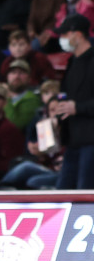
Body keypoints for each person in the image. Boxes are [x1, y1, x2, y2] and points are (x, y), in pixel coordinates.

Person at [56, 14, 94, 189]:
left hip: (91, 140)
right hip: (72, 138)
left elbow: (77, 103)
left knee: (84, 191)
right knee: (63, 192)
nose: (62, 39)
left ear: (78, 35)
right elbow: (66, 93)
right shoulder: (72, 61)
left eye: (65, 34)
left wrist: (77, 108)